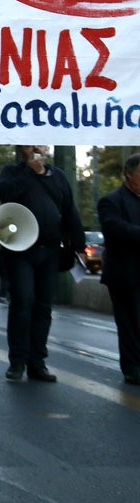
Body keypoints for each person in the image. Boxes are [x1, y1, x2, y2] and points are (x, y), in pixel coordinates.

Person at [0, 145, 85, 382]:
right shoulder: (12, 172)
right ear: (21, 149)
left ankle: (37, 362)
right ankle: (17, 362)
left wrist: (79, 243)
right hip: (21, 251)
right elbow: (6, 194)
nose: (36, 147)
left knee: (43, 307)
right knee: (23, 302)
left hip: (51, 250)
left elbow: (69, 209)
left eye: (40, 143)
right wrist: (30, 171)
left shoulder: (58, 176)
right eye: (30, 144)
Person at [97, 152, 140, 385]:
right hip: (124, 273)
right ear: (128, 174)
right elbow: (114, 229)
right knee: (130, 322)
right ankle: (133, 368)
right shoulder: (111, 201)